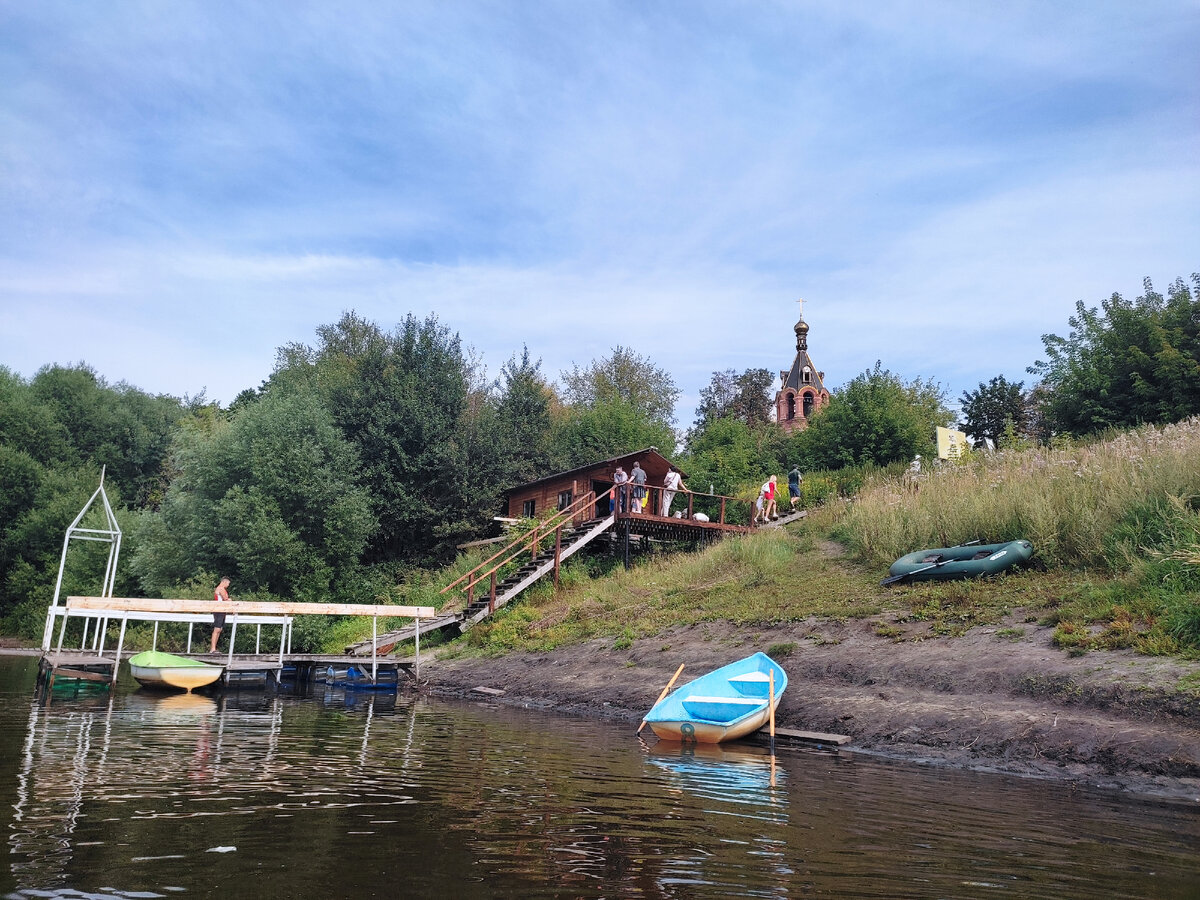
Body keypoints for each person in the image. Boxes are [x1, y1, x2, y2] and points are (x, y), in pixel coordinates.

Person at [210, 576, 231, 653]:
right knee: (217, 629)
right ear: (224, 582)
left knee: (219, 629)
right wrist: (229, 600)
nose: (228, 585)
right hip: (218, 610)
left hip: (222, 611)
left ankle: (214, 648)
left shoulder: (223, 589)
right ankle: (212, 649)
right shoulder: (220, 589)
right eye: (228, 583)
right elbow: (225, 599)